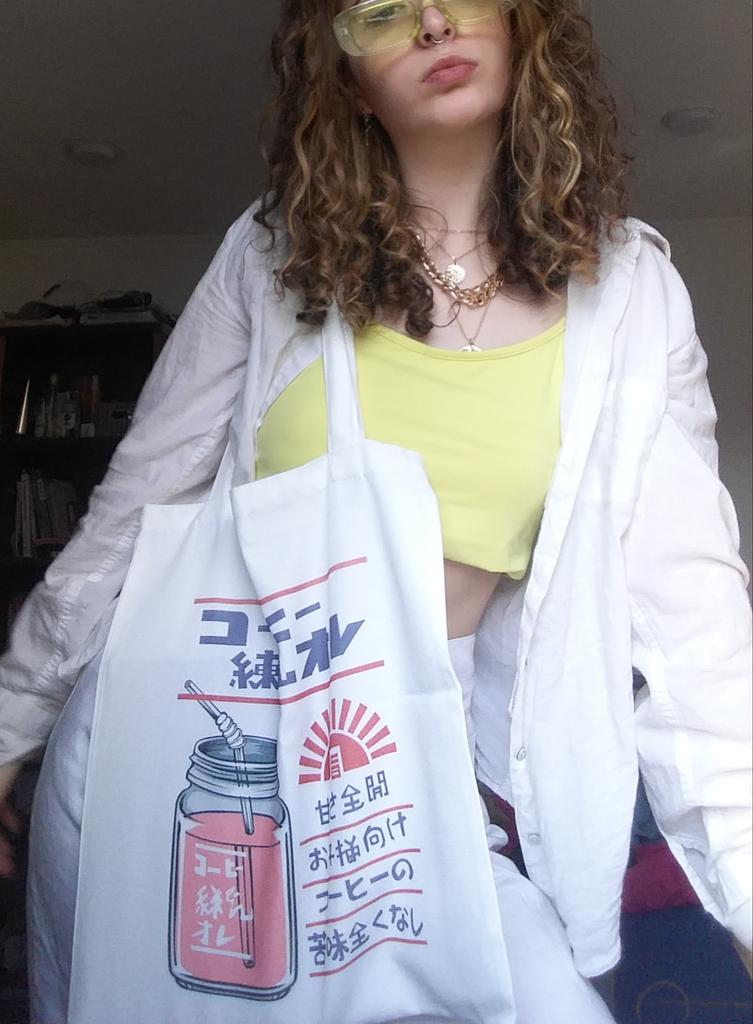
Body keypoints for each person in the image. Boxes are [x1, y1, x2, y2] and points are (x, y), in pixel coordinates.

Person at [1, 0, 751, 1021]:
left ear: (524, 24)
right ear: (347, 82)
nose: (433, 22)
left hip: (405, 765)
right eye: (382, 12)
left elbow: (695, 616)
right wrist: (10, 726)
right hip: (191, 742)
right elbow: (133, 509)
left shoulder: (629, 293)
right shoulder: (270, 258)